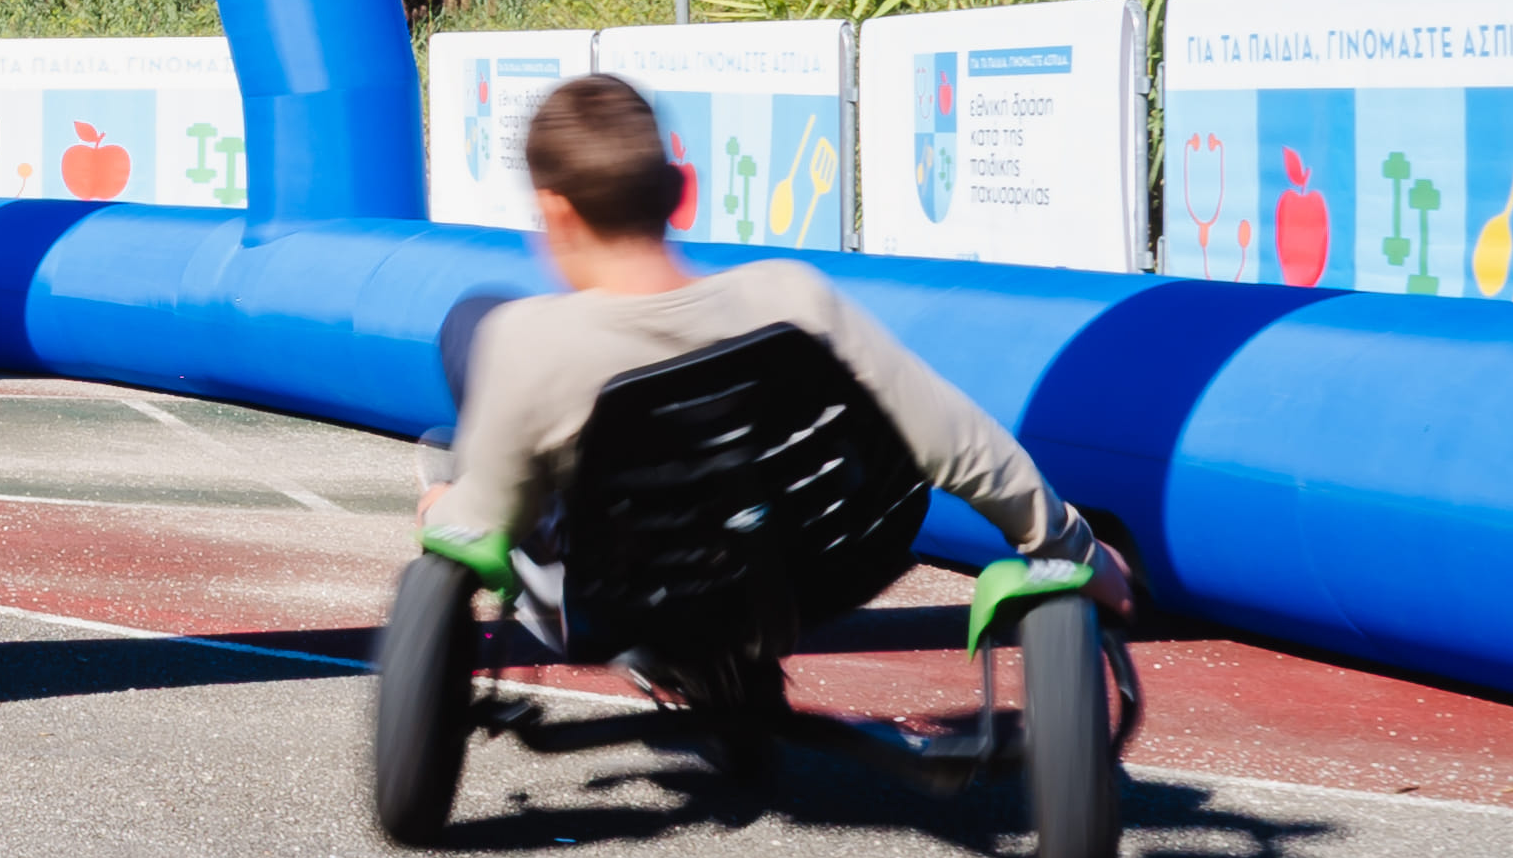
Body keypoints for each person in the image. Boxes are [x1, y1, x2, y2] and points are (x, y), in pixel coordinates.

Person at [418, 72, 1128, 626]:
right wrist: (1072, 548)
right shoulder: (793, 297)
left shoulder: (528, 339)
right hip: (813, 576)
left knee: (470, 330)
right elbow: (956, 440)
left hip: (619, 596)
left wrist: (442, 506)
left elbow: (480, 523)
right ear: (680, 191)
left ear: (556, 214)